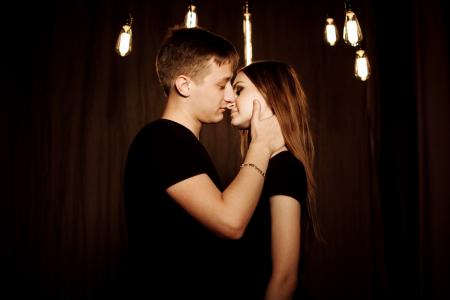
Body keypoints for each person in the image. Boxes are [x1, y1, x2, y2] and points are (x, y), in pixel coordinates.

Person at [122, 27, 284, 299]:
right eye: (222, 85)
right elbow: (231, 222)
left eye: (232, 86)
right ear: (184, 85)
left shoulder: (182, 144)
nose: (231, 96)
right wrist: (261, 144)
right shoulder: (162, 139)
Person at [226, 60, 322, 300]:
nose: (229, 99)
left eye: (239, 90)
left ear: (270, 95)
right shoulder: (262, 167)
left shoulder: (284, 167)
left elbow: (285, 278)